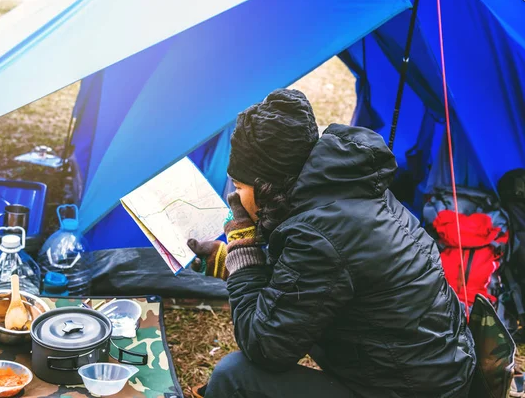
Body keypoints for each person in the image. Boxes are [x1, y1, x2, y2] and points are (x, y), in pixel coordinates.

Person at [187, 88, 475, 398]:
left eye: (240, 186)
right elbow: (309, 286)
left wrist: (243, 251)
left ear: (266, 185)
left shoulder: (319, 233)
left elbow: (265, 346)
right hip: (436, 376)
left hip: (413, 392)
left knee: (234, 379)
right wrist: (230, 262)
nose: (234, 197)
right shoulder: (345, 191)